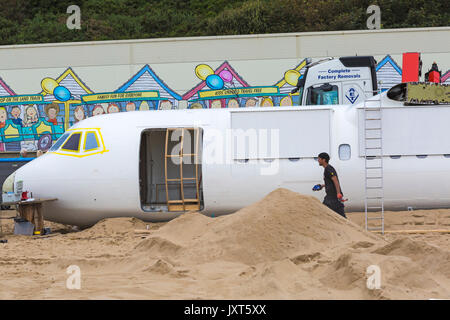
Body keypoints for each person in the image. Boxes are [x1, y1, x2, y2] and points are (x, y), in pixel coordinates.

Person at [316, 152, 346, 218]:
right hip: (331, 197)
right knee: (341, 216)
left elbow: (335, 181)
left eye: (319, 159)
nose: (318, 160)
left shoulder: (329, 169)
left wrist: (338, 193)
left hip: (333, 198)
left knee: (324, 212)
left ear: (323, 160)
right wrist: (321, 186)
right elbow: (330, 182)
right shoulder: (327, 169)